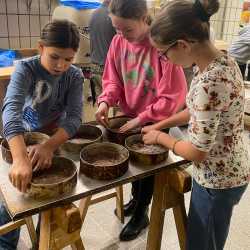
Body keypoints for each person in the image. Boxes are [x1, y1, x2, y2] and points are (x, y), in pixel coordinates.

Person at [142, 1, 250, 249]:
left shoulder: (208, 83)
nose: (165, 59)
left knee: (204, 243)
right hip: (230, 168)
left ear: (182, 45)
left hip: (218, 179)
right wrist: (162, 124)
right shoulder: (222, 62)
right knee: (205, 238)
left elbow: (197, 153)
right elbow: (197, 111)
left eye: (164, 53)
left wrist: (161, 139)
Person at [95, 0, 187, 241]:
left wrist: (143, 119)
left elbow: (172, 98)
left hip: (154, 120)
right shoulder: (118, 42)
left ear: (145, 18)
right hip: (128, 115)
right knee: (132, 162)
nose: (122, 35)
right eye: (116, 29)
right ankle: (136, 200)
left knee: (147, 166)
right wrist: (106, 100)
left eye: (128, 30)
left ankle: (142, 211)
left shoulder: (161, 47)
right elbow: (112, 80)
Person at [0, 19, 83, 250]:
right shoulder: (25, 69)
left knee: (48, 200)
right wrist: (19, 158)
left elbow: (75, 118)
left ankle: (42, 242)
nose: (61, 65)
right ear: (40, 48)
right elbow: (10, 112)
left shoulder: (74, 76)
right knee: (12, 201)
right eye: (54, 56)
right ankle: (6, 245)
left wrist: (49, 146)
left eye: (68, 59)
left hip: (51, 141)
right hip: (18, 141)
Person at [88, 0, 116, 102]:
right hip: (109, 69)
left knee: (102, 103)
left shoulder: (93, 14)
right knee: (113, 104)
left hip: (95, 66)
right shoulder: (114, 16)